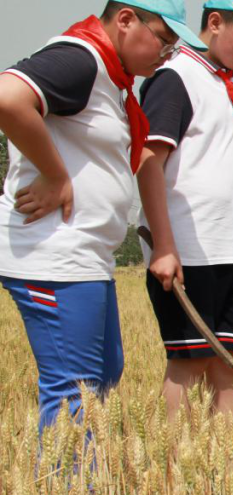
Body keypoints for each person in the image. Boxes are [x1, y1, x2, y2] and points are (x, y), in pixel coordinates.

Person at [0, 2, 204, 431]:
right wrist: (55, 175)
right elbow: (7, 98)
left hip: (86, 257)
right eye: (164, 41)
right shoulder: (82, 59)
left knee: (105, 373)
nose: (167, 54)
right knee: (75, 389)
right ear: (126, 19)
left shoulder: (112, 80)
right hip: (52, 254)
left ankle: (77, 490)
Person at [136, 0, 233, 426]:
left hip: (228, 248)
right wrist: (164, 246)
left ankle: (230, 472)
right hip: (186, 250)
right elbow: (149, 161)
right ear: (215, 22)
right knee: (189, 361)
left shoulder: (228, 82)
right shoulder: (176, 77)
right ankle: (172, 473)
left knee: (230, 362)